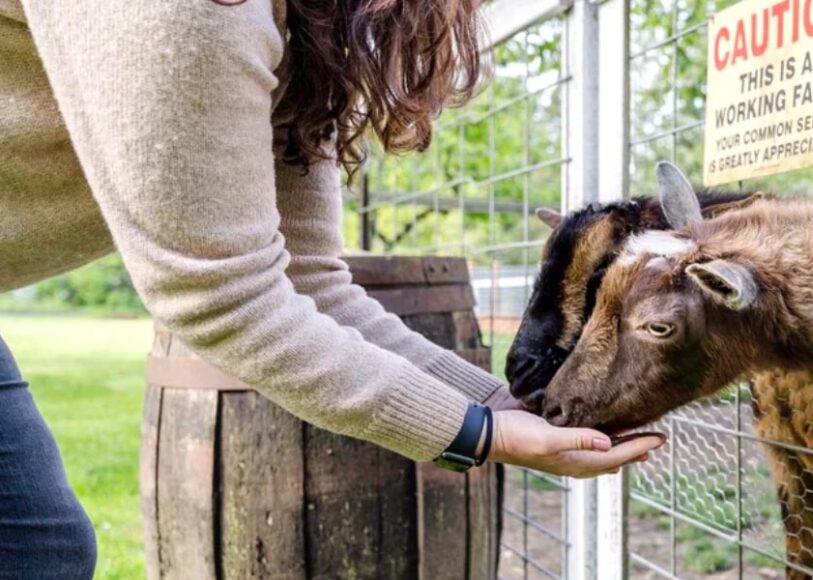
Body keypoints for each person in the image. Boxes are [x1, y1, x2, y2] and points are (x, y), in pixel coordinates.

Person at [0, 0, 666, 576]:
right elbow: (226, 298)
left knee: (38, 546)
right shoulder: (198, 14)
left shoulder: (300, 33)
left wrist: (494, 404)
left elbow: (311, 282)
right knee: (33, 548)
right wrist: (479, 436)